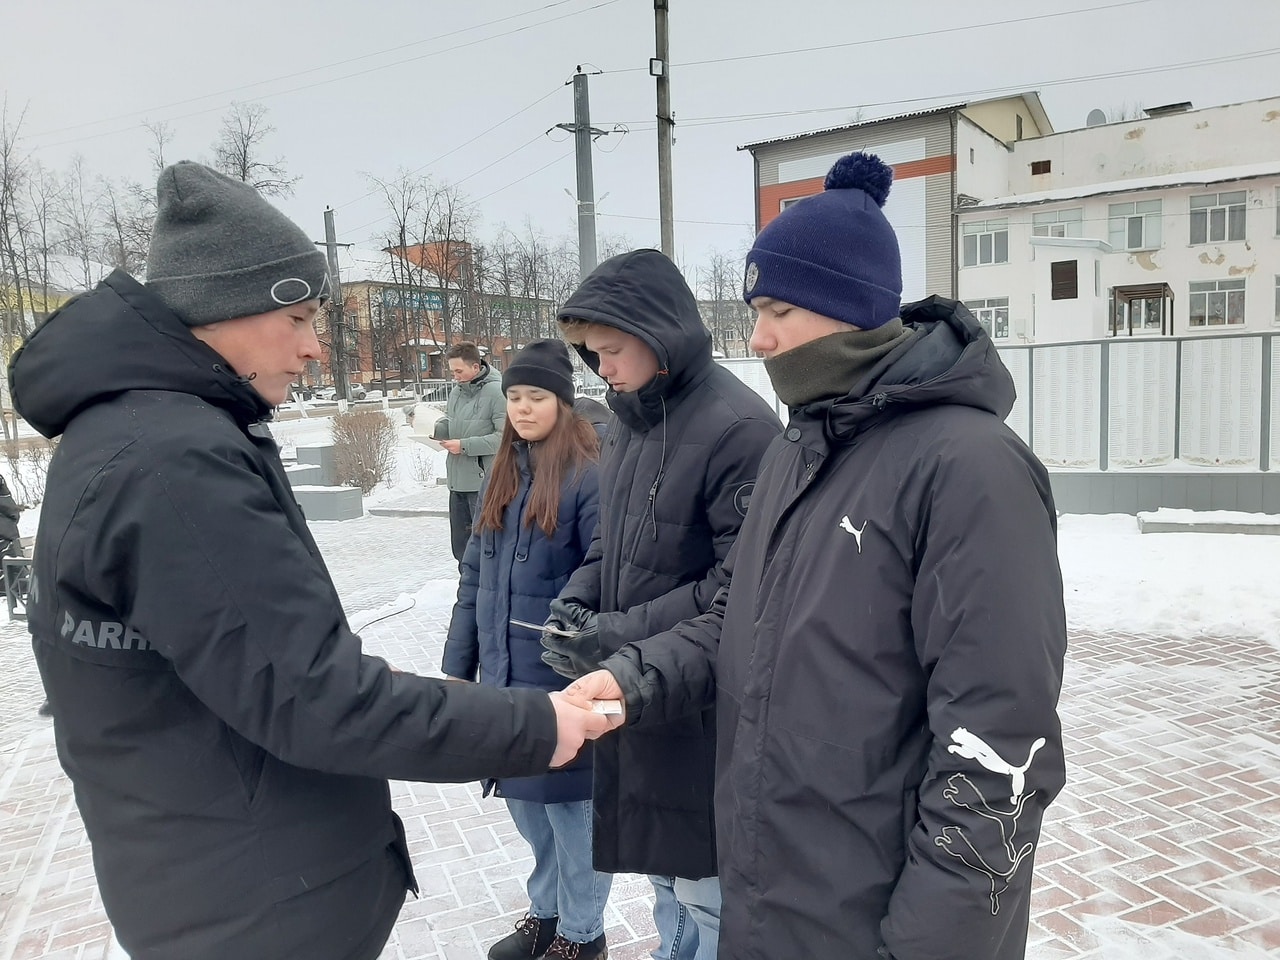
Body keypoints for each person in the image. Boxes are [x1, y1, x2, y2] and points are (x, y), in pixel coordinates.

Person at [8, 161, 609, 960]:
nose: (314, 350)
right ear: (224, 309)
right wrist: (533, 723)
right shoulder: (173, 465)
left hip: (225, 881)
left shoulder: (146, 433)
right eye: (299, 320)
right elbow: (316, 697)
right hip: (256, 905)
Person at [567, 153, 1068, 959]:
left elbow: (998, 750)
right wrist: (633, 677)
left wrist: (926, 945)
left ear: (852, 309)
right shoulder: (800, 453)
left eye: (779, 310)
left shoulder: (968, 468)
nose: (758, 338)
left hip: (876, 920)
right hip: (773, 901)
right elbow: (738, 616)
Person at [539, 249, 782, 960]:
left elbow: (737, 589)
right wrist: (577, 603)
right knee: (666, 878)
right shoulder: (634, 422)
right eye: (592, 355)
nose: (602, 369)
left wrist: (617, 633)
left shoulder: (739, 429)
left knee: (706, 891)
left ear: (660, 333)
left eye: (612, 351)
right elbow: (611, 544)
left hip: (701, 705)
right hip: (638, 694)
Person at [443, 339, 612, 960]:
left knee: (571, 813)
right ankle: (546, 913)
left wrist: (575, 652)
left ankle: (581, 933)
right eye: (513, 396)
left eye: (535, 396)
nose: (521, 407)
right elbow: (473, 575)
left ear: (563, 403)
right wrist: (457, 666)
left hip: (560, 677)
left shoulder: (589, 477)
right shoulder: (504, 470)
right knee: (526, 808)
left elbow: (602, 576)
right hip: (502, 672)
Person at [442, 340, 506, 563]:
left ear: (475, 367)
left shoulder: (498, 393)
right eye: (452, 372)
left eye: (459, 371)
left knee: (485, 550)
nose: (455, 376)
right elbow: (451, 422)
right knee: (461, 552)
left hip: (483, 485)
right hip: (456, 482)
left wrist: (464, 445)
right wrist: (429, 426)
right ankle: (467, 595)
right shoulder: (456, 393)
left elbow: (503, 438)